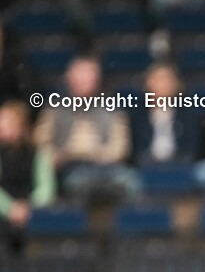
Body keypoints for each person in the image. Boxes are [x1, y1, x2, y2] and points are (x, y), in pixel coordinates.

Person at [34, 55, 139, 202]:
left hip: (106, 168)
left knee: (129, 181)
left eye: (87, 75)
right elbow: (41, 144)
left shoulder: (113, 110)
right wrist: (60, 156)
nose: (81, 80)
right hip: (70, 168)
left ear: (97, 78)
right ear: (68, 77)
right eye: (78, 75)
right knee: (79, 184)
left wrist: (88, 154)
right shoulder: (54, 109)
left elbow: (120, 149)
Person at [0, 100, 56, 252]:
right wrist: (10, 208)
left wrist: (28, 207)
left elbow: (46, 189)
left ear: (22, 126)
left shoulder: (37, 154)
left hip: (32, 215)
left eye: (8, 122)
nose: (2, 127)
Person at [129, 63, 200, 165]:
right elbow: (135, 149)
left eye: (167, 79)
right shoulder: (137, 116)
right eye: (158, 79)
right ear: (147, 83)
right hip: (145, 167)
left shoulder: (189, 115)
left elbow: (192, 148)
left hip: (181, 166)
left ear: (177, 84)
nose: (163, 84)